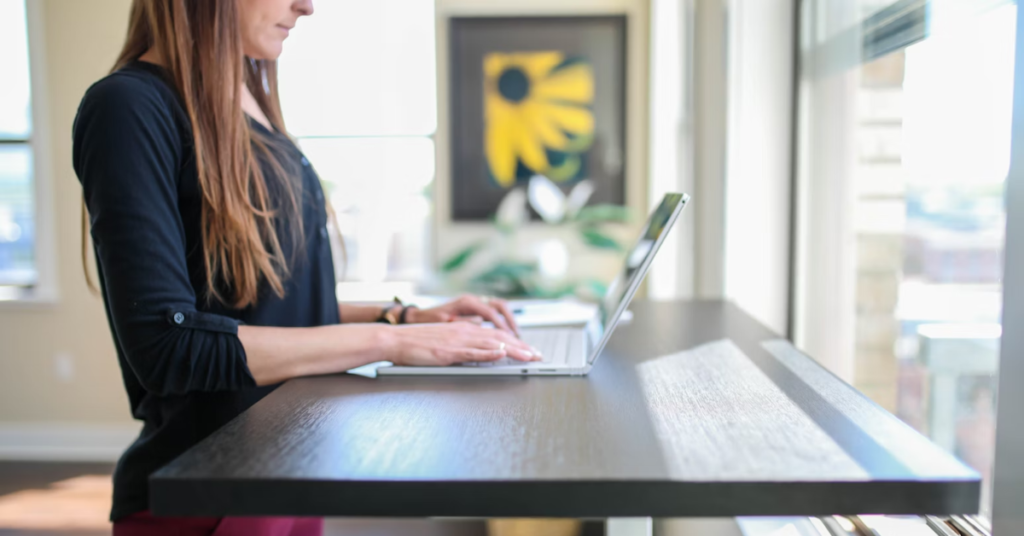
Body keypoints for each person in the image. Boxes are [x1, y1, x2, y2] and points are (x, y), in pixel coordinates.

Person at [72, 1, 540, 534]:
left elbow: (267, 304)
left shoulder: (247, 99)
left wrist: (402, 318)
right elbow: (169, 346)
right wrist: (389, 345)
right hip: (209, 491)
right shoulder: (128, 106)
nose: (307, 5)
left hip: (289, 459)